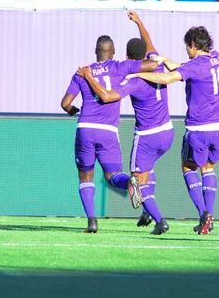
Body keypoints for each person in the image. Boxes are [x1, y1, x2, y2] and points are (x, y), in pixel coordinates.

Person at [127, 26, 219, 235]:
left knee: (189, 169)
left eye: (187, 47)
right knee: (209, 168)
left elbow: (167, 78)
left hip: (199, 128)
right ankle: (208, 216)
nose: (186, 50)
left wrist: (138, 73)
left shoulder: (195, 65)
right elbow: (181, 67)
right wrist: (164, 59)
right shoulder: (216, 57)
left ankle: (203, 213)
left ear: (192, 44)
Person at [77, 11, 174, 235]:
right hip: (168, 132)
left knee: (136, 179)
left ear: (129, 57)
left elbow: (109, 97)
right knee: (147, 173)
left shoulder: (134, 80)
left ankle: (159, 219)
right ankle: (148, 212)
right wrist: (139, 22)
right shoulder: (156, 60)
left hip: (148, 135)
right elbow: (148, 40)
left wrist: (89, 77)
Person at [60, 35, 158, 233]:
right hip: (109, 132)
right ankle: (129, 182)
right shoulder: (120, 67)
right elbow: (151, 65)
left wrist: (72, 110)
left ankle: (92, 222)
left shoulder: (82, 72)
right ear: (113, 52)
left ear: (96, 51)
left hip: (86, 129)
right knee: (113, 175)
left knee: (85, 177)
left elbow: (65, 103)